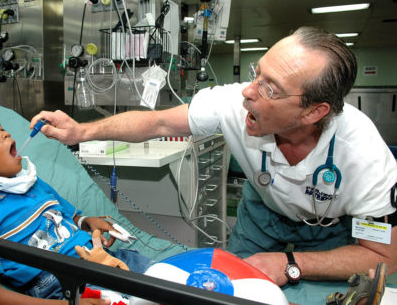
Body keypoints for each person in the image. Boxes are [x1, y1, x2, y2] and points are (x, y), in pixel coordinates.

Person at [31, 26, 397, 288]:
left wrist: (290, 264)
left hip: (331, 230)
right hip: (263, 213)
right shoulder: (235, 103)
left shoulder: (364, 157)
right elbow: (157, 122)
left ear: (313, 112)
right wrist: (81, 132)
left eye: (270, 88)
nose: (248, 93)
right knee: (229, 284)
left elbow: (383, 255)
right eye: (258, 72)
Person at [0, 104, 154, 305]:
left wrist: (89, 222)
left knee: (173, 281)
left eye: (1, 127)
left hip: (107, 258)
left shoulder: (32, 184)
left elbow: (72, 218)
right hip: (63, 284)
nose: (4, 134)